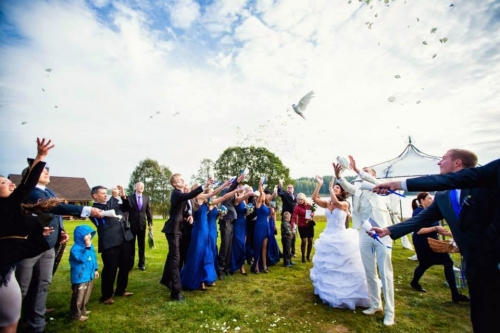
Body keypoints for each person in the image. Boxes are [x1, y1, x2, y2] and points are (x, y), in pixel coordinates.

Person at [371, 149, 500, 333]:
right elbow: (421, 219)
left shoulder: (486, 182)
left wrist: (397, 184)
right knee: (482, 315)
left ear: (458, 163)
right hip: (473, 263)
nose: (439, 163)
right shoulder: (442, 196)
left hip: (496, 257)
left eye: (444, 159)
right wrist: (388, 230)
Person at [0, 138, 102, 333]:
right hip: (20, 254)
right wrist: (39, 158)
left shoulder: (39, 193)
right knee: (21, 288)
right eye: (4, 182)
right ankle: (22, 320)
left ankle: (36, 324)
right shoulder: (22, 198)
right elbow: (51, 204)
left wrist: (58, 231)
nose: (11, 184)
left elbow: (51, 212)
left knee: (42, 284)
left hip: (45, 245)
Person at [336, 158, 395, 326]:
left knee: (385, 272)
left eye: (367, 171)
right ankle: (376, 304)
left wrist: (357, 170)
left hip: (382, 231)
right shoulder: (359, 190)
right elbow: (348, 188)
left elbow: (374, 181)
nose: (363, 173)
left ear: (373, 175)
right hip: (364, 231)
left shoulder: (380, 186)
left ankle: (390, 312)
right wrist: (339, 176)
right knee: (369, 271)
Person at [310, 175, 370, 310]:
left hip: (340, 236)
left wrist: (331, 189)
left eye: (338, 188)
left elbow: (337, 203)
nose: (335, 189)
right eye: (334, 187)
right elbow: (314, 198)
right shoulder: (327, 204)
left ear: (342, 191)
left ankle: (346, 293)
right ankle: (328, 291)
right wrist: (319, 184)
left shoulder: (345, 204)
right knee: (329, 264)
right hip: (328, 236)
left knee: (342, 264)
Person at [160, 174, 212, 301]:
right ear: (174, 184)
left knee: (174, 257)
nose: (183, 180)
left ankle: (166, 280)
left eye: (183, 178)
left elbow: (184, 209)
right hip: (173, 230)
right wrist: (204, 186)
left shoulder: (180, 194)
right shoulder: (177, 193)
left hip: (179, 230)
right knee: (175, 259)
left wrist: (189, 215)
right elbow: (189, 196)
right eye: (180, 180)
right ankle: (176, 292)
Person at [409, 192, 468, 303]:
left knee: (428, 264)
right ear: (422, 200)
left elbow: (440, 229)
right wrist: (435, 228)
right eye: (429, 198)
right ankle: (455, 295)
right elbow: (419, 230)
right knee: (434, 263)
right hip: (423, 243)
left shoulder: (432, 212)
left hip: (433, 242)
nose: (432, 200)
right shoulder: (418, 212)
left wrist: (454, 234)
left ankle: (414, 282)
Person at [180, 180, 239, 290]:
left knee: (202, 254)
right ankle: (198, 280)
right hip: (201, 230)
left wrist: (231, 189)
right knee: (199, 254)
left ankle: (202, 279)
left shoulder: (198, 199)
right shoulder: (199, 197)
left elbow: (222, 197)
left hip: (202, 229)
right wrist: (224, 185)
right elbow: (214, 193)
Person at [90, 185, 134, 305]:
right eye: (103, 193)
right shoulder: (93, 209)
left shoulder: (112, 203)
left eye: (106, 193)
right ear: (95, 195)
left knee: (125, 266)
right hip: (110, 242)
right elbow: (104, 213)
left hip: (124, 238)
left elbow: (127, 207)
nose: (106, 195)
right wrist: (114, 197)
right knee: (110, 268)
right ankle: (106, 295)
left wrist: (123, 196)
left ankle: (121, 290)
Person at [69, 225, 99, 322]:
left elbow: (93, 258)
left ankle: (83, 309)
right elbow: (82, 259)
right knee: (79, 296)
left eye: (90, 234)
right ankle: (76, 314)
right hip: (80, 277)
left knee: (86, 294)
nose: (89, 236)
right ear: (80, 235)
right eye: (87, 234)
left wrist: (95, 269)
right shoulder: (75, 249)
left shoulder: (90, 246)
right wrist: (87, 247)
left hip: (89, 275)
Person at [218, 175, 245, 279]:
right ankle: (220, 270)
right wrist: (237, 181)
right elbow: (232, 188)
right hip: (225, 222)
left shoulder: (232, 195)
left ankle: (227, 269)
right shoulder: (226, 192)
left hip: (231, 222)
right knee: (224, 247)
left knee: (229, 247)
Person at [127, 182, 153, 271]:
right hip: (131, 226)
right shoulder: (129, 198)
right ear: (135, 187)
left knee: (142, 246)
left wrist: (150, 223)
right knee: (131, 246)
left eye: (143, 186)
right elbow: (126, 211)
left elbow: (149, 212)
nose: (141, 187)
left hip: (142, 225)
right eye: (139, 186)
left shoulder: (146, 198)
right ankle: (130, 264)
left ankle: (141, 264)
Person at [230, 187, 254, 275]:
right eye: (241, 189)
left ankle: (241, 266)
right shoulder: (237, 199)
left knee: (243, 244)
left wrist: (248, 211)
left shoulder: (244, 201)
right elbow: (240, 199)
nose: (242, 190)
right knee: (238, 244)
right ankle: (233, 266)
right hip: (237, 224)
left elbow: (245, 213)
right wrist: (249, 193)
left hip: (244, 223)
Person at [252, 180, 271, 274]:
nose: (263, 195)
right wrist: (260, 185)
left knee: (264, 247)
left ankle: (264, 265)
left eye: (263, 194)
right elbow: (259, 195)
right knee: (258, 245)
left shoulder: (266, 205)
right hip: (259, 226)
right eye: (262, 194)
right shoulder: (258, 204)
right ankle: (256, 265)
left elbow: (268, 216)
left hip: (266, 226)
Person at [291, 193, 314, 263]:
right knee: (304, 241)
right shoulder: (297, 207)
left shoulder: (309, 205)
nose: (300, 201)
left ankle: (308, 256)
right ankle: (303, 256)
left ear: (304, 199)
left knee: (310, 241)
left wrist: (312, 215)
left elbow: (313, 212)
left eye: (301, 199)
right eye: (298, 199)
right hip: (301, 225)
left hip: (309, 224)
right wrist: (293, 226)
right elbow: (294, 217)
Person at [277, 183, 297, 257]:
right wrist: (280, 186)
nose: (289, 189)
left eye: (291, 187)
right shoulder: (284, 194)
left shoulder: (295, 195)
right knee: (286, 235)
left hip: (294, 217)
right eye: (288, 187)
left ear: (293, 189)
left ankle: (293, 251)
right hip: (286, 217)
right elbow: (279, 192)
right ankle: (286, 252)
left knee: (294, 234)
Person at [179, 185, 195, 270]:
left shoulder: (191, 201)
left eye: (188, 189)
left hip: (191, 228)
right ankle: (180, 268)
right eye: (185, 189)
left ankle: (186, 267)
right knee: (182, 250)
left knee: (188, 249)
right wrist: (186, 218)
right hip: (183, 228)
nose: (187, 190)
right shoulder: (181, 200)